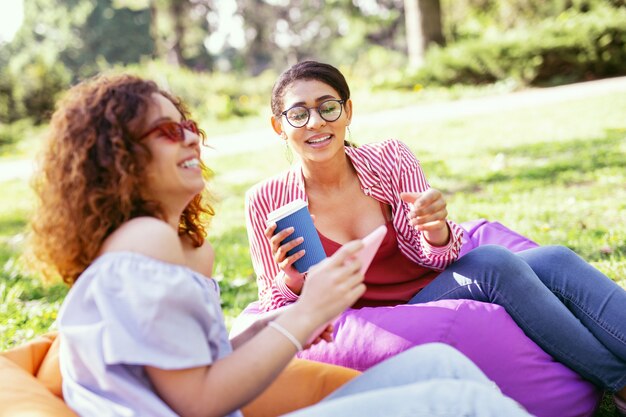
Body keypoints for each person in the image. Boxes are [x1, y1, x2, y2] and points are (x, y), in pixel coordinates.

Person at [27, 73, 531, 417]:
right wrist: (304, 313)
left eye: (187, 125)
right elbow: (199, 402)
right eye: (165, 131)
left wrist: (275, 323)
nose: (190, 140)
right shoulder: (146, 239)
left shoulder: (167, 241)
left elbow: (195, 367)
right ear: (119, 157)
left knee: (442, 366)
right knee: (450, 401)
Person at [244, 60, 626, 413]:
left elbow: (438, 259)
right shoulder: (268, 200)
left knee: (552, 259)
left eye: (328, 107)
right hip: (364, 320)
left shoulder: (390, 159)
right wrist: (291, 280)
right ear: (280, 126)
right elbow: (275, 309)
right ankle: (621, 384)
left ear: (348, 111)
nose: (315, 122)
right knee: (494, 262)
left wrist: (437, 232)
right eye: (299, 113)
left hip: (432, 290)